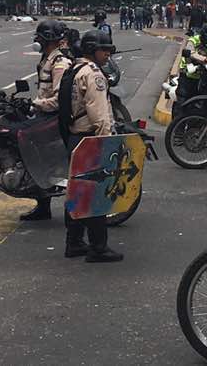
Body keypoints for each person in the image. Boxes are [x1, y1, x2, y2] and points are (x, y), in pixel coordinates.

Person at [63, 30, 123, 263]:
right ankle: (98, 247)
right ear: (91, 50)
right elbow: (100, 116)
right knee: (97, 196)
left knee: (77, 194)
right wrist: (106, 145)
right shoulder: (94, 75)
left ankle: (74, 242)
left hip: (75, 139)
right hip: (91, 140)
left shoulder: (74, 69)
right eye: (103, 49)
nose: (107, 54)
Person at [20, 19, 71, 222]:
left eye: (41, 37)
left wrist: (38, 104)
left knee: (35, 155)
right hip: (43, 113)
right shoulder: (47, 59)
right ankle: (42, 205)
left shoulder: (59, 64)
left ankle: (45, 201)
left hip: (52, 116)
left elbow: (58, 100)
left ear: (49, 40)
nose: (37, 40)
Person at [176, 22, 207, 105]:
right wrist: (206, 59)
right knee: (183, 102)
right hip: (188, 76)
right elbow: (192, 53)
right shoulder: (193, 41)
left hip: (205, 76)